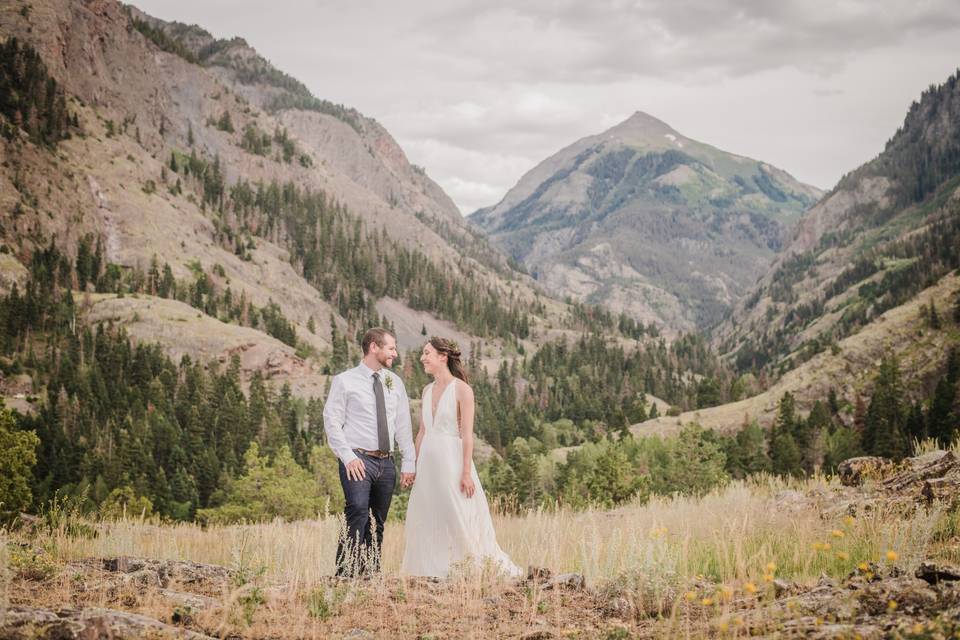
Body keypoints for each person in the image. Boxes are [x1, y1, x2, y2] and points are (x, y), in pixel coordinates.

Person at [401, 336, 522, 578]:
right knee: (427, 514)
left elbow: (467, 435)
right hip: (427, 463)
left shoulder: (462, 390)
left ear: (442, 357)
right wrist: (411, 465)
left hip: (451, 462)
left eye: (427, 353)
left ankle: (468, 566)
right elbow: (422, 431)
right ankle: (428, 569)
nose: (422, 358)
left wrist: (466, 472)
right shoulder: (426, 390)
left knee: (456, 512)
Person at [323, 327, 416, 576]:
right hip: (357, 458)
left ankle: (370, 574)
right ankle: (344, 573)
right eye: (391, 348)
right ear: (374, 347)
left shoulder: (394, 382)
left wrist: (409, 462)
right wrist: (348, 457)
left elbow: (403, 424)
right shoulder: (345, 381)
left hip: (386, 463)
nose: (395, 353)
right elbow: (332, 421)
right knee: (357, 510)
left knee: (377, 521)